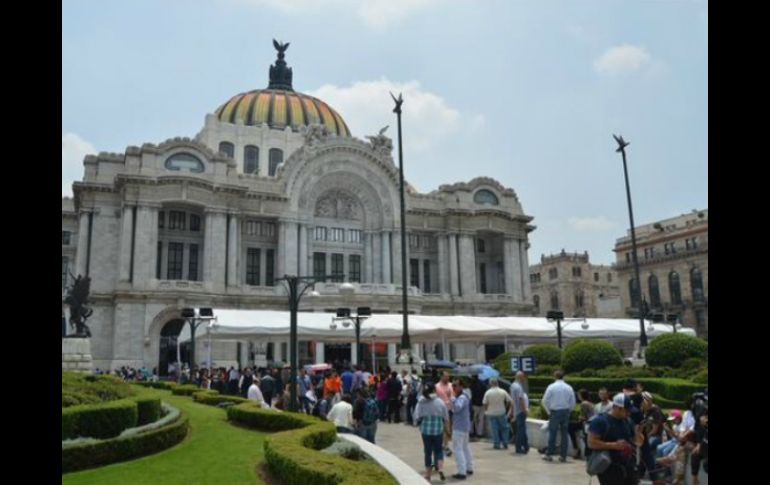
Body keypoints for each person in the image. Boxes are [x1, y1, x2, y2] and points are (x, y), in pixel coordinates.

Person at [588, 393, 644, 485]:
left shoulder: (628, 421)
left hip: (628, 466)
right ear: (617, 408)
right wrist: (613, 445)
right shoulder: (600, 421)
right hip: (609, 468)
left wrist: (638, 433)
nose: (629, 413)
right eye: (627, 411)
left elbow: (638, 443)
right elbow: (591, 442)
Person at [414, 382, 449, 482]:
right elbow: (446, 417)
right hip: (438, 429)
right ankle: (440, 469)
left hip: (426, 430)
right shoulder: (440, 402)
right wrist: (448, 430)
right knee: (438, 451)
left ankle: (428, 474)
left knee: (427, 452)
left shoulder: (421, 401)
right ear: (434, 390)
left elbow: (417, 416)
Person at [541, 370, 576, 463]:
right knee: (564, 434)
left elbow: (544, 400)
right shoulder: (569, 387)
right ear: (563, 376)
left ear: (554, 376)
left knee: (553, 433)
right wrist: (569, 410)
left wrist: (549, 412)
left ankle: (549, 454)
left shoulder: (551, 387)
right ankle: (563, 456)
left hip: (555, 412)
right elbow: (573, 402)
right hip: (565, 412)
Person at [637, 391, 664, 481]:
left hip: (655, 436)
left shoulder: (655, 411)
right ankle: (641, 472)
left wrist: (645, 437)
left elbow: (655, 430)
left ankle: (650, 473)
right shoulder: (642, 411)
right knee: (640, 447)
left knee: (645, 446)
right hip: (645, 435)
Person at [450, 379, 474, 480]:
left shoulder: (461, 398)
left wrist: (453, 400)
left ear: (461, 386)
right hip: (464, 427)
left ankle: (461, 472)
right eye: (453, 386)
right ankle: (469, 467)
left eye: (455, 386)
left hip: (459, 427)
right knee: (465, 448)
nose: (453, 388)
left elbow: (457, 408)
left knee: (458, 449)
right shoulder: (464, 396)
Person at [482, 378, 512, 450]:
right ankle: (505, 442)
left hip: (492, 413)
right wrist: (505, 406)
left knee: (494, 429)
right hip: (501, 412)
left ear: (491, 384)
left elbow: (485, 403)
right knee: (504, 428)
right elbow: (509, 400)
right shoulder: (503, 391)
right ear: (497, 383)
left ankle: (496, 443)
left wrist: (486, 410)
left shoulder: (488, 392)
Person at [569, 388, 595, 460]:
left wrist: (579, 418)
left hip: (587, 424)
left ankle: (576, 449)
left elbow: (582, 417)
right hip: (590, 423)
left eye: (578, 395)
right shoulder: (590, 403)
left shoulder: (584, 403)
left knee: (570, 427)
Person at [509, 371, 530, 454]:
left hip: (516, 411)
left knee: (522, 430)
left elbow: (512, 400)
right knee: (521, 431)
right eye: (524, 377)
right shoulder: (518, 387)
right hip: (520, 411)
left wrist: (512, 411)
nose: (524, 379)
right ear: (521, 377)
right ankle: (519, 448)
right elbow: (521, 400)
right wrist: (525, 410)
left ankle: (526, 446)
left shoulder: (512, 386)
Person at [435, 371, 455, 456]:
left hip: (449, 409)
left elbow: (454, 396)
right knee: (441, 429)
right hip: (439, 410)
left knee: (448, 428)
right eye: (446, 376)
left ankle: (445, 444)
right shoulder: (437, 386)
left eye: (448, 377)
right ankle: (443, 445)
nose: (448, 378)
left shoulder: (451, 385)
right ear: (441, 377)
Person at [469, 375, 487, 440]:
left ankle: (471, 432)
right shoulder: (483, 384)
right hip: (482, 404)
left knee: (472, 419)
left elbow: (471, 394)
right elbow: (485, 393)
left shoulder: (472, 384)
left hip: (474, 404)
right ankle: (479, 433)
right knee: (481, 419)